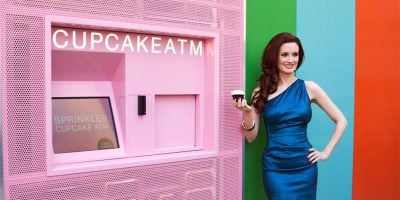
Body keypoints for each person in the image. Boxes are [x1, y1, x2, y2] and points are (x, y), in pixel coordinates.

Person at [233, 32, 347, 199]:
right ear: (274, 57)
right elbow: (250, 137)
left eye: (295, 54)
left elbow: (341, 120)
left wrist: (326, 153)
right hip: (275, 168)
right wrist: (248, 112)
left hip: (304, 167)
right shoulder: (261, 92)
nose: (291, 60)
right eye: (284, 54)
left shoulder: (310, 88)